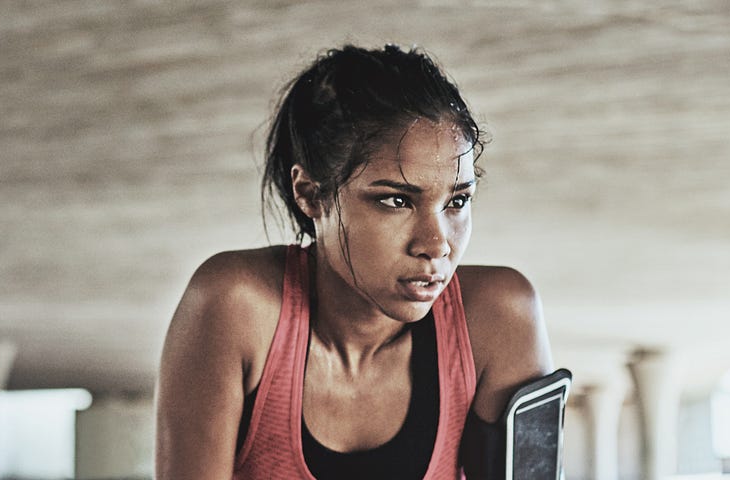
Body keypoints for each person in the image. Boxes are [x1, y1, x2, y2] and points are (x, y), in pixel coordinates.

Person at [155, 44, 554, 479]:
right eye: (396, 200)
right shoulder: (236, 307)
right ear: (311, 194)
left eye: (457, 200)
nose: (437, 244)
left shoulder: (497, 319)